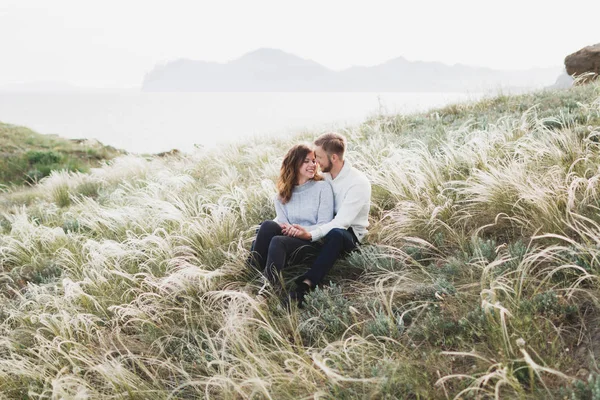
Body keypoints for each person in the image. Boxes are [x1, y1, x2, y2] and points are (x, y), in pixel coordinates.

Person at [282, 132, 371, 306]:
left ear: (334, 157)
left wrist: (310, 234)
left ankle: (306, 285)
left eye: (319, 158)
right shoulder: (325, 176)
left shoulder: (357, 183)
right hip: (323, 227)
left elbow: (341, 223)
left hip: (348, 235)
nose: (316, 162)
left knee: (336, 234)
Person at [248, 143, 334, 291]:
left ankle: (267, 290)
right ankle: (251, 274)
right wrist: (290, 230)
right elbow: (282, 224)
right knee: (268, 225)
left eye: (314, 161)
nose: (312, 165)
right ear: (294, 163)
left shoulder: (322, 188)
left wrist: (301, 231)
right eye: (306, 161)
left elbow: (324, 223)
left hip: (311, 242)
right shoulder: (282, 195)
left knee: (278, 240)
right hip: (287, 241)